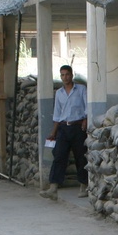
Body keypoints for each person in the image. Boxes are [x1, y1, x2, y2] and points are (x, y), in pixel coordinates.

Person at [41, 64, 88, 200]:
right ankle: (53, 188)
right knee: (59, 156)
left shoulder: (81, 89)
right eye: (62, 75)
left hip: (78, 127)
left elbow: (87, 107)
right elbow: (57, 115)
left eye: (67, 74)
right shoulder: (59, 93)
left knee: (81, 157)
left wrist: (85, 120)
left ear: (72, 75)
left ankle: (83, 185)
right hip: (63, 128)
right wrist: (53, 133)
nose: (65, 77)